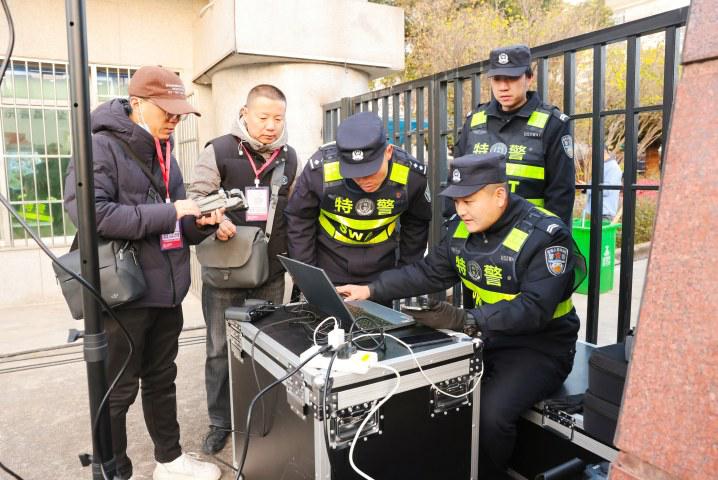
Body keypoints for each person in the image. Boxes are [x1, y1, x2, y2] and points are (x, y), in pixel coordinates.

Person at [338, 152, 582, 479]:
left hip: (541, 347)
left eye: (468, 201)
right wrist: (369, 290)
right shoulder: (462, 229)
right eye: (456, 201)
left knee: (491, 416)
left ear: (499, 195)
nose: (461, 209)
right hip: (486, 336)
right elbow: (428, 272)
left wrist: (464, 320)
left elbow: (534, 309)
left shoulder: (547, 236)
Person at [64, 66, 223, 480]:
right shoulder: (99, 146)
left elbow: (179, 222)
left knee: (161, 379)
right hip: (124, 293)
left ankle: (170, 461)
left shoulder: (165, 150)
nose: (174, 119)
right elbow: (92, 214)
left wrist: (201, 223)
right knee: (117, 391)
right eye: (166, 110)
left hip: (167, 289)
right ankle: (113, 471)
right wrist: (170, 212)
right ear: (136, 103)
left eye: (179, 112)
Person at [187, 84, 298, 454]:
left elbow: (295, 210)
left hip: (270, 272)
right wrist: (215, 221)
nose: (270, 125)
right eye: (263, 117)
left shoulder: (289, 158)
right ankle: (220, 422)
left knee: (267, 345)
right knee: (219, 349)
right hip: (225, 270)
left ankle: (263, 414)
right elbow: (196, 199)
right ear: (245, 113)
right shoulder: (219, 150)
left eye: (278, 118)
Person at [285, 111, 432, 286]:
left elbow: (417, 225)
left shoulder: (410, 176)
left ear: (388, 152)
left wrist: (401, 278)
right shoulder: (319, 171)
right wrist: (308, 276)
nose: (364, 180)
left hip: (381, 269)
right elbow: (299, 218)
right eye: (354, 172)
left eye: (371, 171)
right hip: (328, 265)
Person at [453, 44, 575, 226]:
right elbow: (456, 181)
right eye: (497, 79)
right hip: (477, 233)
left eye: (512, 78)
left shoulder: (552, 123)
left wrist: (547, 236)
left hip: (528, 232)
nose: (503, 87)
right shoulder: (474, 121)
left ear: (529, 78)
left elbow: (561, 194)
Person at [583, 147, 622, 222]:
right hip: (598, 211)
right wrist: (585, 188)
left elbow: (606, 190)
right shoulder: (603, 166)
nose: (592, 157)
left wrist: (587, 188)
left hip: (605, 213)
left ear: (603, 152)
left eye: (593, 154)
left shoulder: (613, 168)